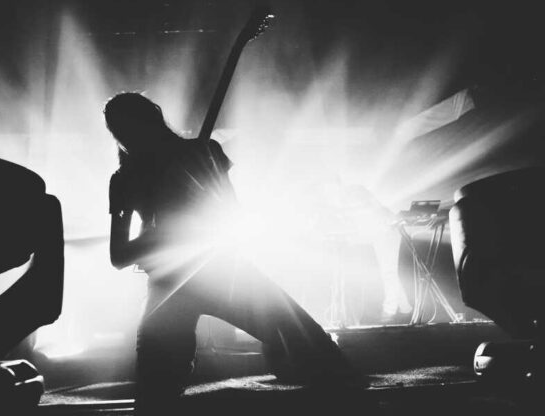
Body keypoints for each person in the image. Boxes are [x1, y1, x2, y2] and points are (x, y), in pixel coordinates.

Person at [104, 92, 361, 414]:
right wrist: (163, 233)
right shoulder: (124, 179)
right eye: (119, 130)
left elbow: (233, 217)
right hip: (170, 286)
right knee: (154, 395)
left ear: (149, 122)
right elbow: (119, 256)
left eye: (128, 127)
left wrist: (198, 201)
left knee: (317, 350)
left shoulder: (204, 152)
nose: (126, 136)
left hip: (222, 272)